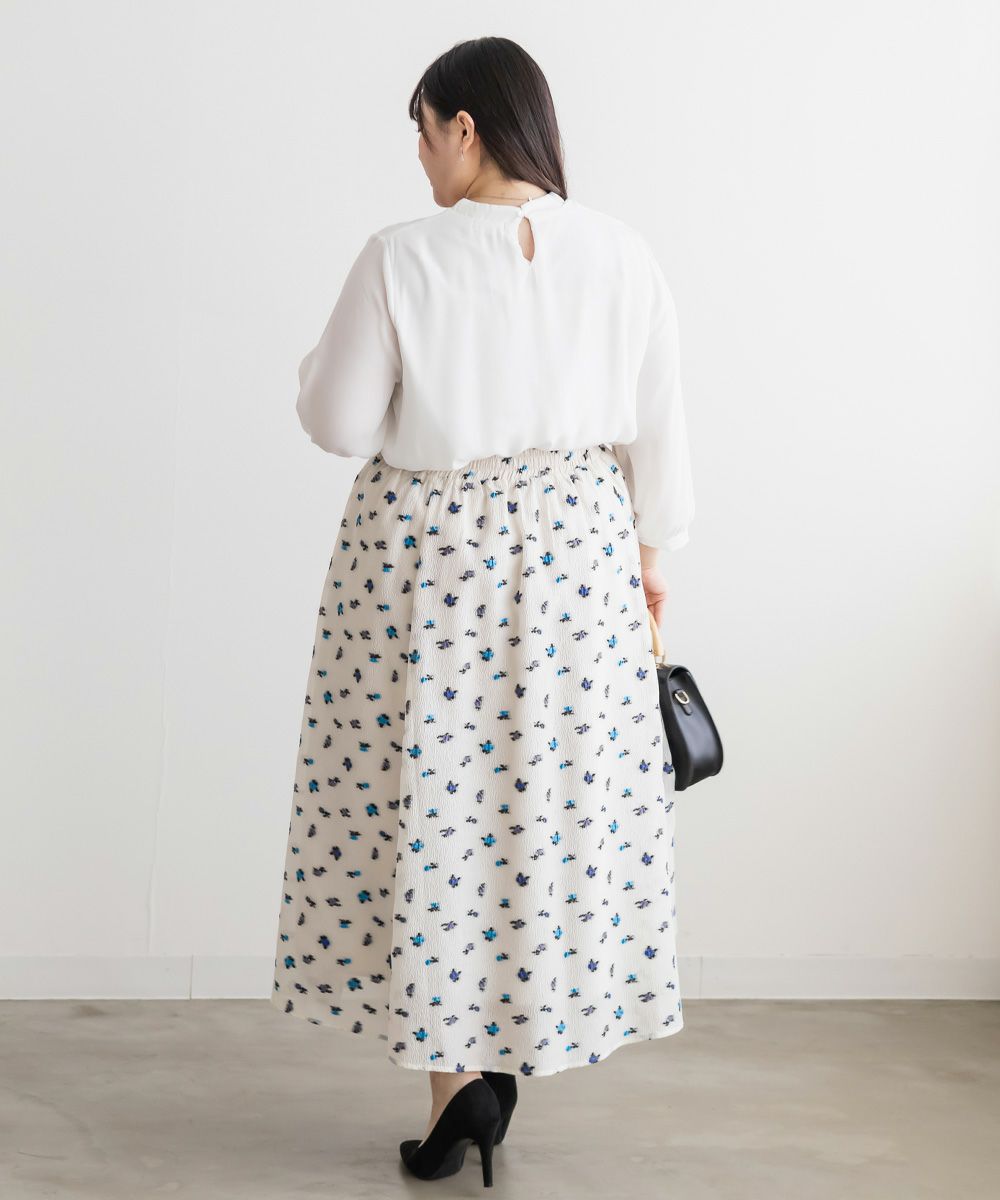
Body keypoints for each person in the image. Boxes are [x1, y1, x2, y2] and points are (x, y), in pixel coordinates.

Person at [270, 35, 696, 1188]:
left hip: (429, 558)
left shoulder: (401, 257)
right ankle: (495, 1057)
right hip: (581, 558)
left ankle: (459, 1080)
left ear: (465, 127)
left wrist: (330, 371)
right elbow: (660, 436)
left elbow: (335, 419)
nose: (418, 156)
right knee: (543, 802)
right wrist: (647, 565)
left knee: (433, 804)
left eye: (422, 131)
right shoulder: (621, 254)